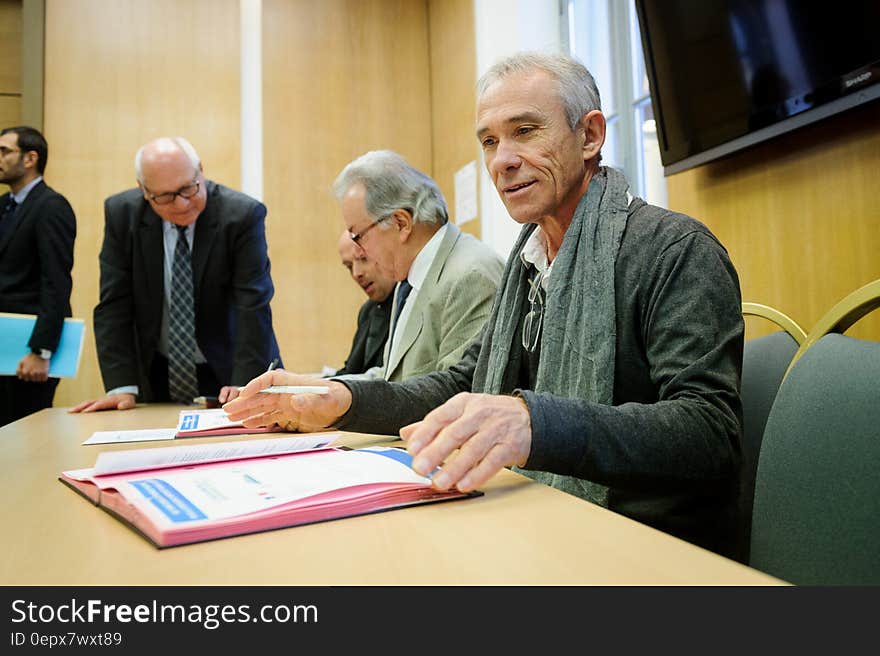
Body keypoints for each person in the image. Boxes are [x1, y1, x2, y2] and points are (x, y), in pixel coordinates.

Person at [225, 52, 744, 558]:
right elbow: (461, 383)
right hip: (537, 523)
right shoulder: (527, 263)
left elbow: (709, 433)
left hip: (638, 549)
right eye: (490, 141)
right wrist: (342, 399)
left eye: (525, 131)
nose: (502, 160)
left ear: (589, 136)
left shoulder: (674, 249)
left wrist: (533, 422)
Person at [71, 137, 281, 412]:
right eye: (165, 197)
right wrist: (121, 386)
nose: (181, 204)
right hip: (157, 369)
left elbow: (252, 304)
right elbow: (114, 303)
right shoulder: (123, 214)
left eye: (188, 189)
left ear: (200, 171)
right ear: (144, 191)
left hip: (233, 368)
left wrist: (246, 382)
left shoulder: (241, 215)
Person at [330, 150, 503, 382]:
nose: (360, 251)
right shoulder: (408, 281)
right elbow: (390, 378)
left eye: (358, 236)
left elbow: (455, 396)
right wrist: (317, 390)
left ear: (401, 223)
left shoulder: (471, 275)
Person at [0, 126, 76, 426]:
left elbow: (56, 283)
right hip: (4, 343)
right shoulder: (4, 206)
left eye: (4, 151)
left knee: (21, 439)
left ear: (31, 158)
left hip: (29, 352)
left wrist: (40, 350)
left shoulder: (51, 206)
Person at [333, 228, 395, 376]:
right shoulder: (368, 310)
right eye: (349, 267)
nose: (356, 274)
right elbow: (351, 372)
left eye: (363, 259)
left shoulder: (407, 302)